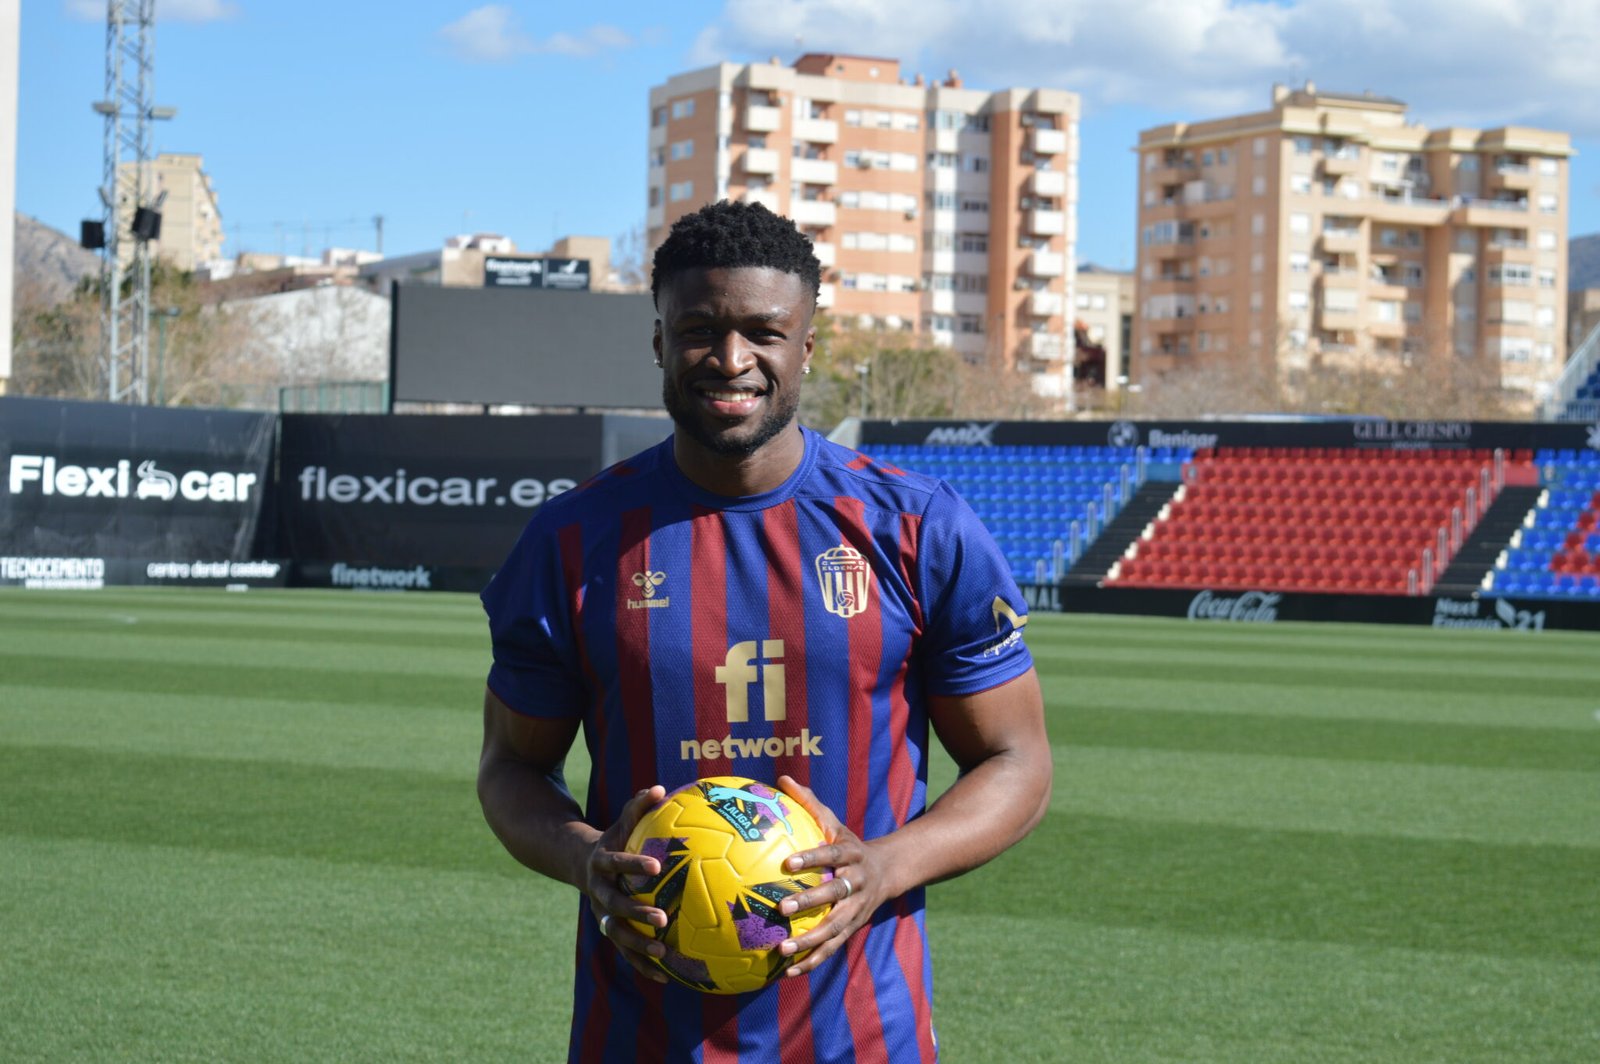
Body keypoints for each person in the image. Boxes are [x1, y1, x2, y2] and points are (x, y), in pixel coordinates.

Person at [478, 200, 1051, 1063]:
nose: (732, 359)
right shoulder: (570, 541)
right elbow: (512, 768)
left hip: (862, 1035)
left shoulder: (918, 529)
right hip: (634, 1036)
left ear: (807, 346)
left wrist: (884, 869)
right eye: (700, 328)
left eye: (763, 331)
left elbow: (1017, 761)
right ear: (660, 341)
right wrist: (587, 860)